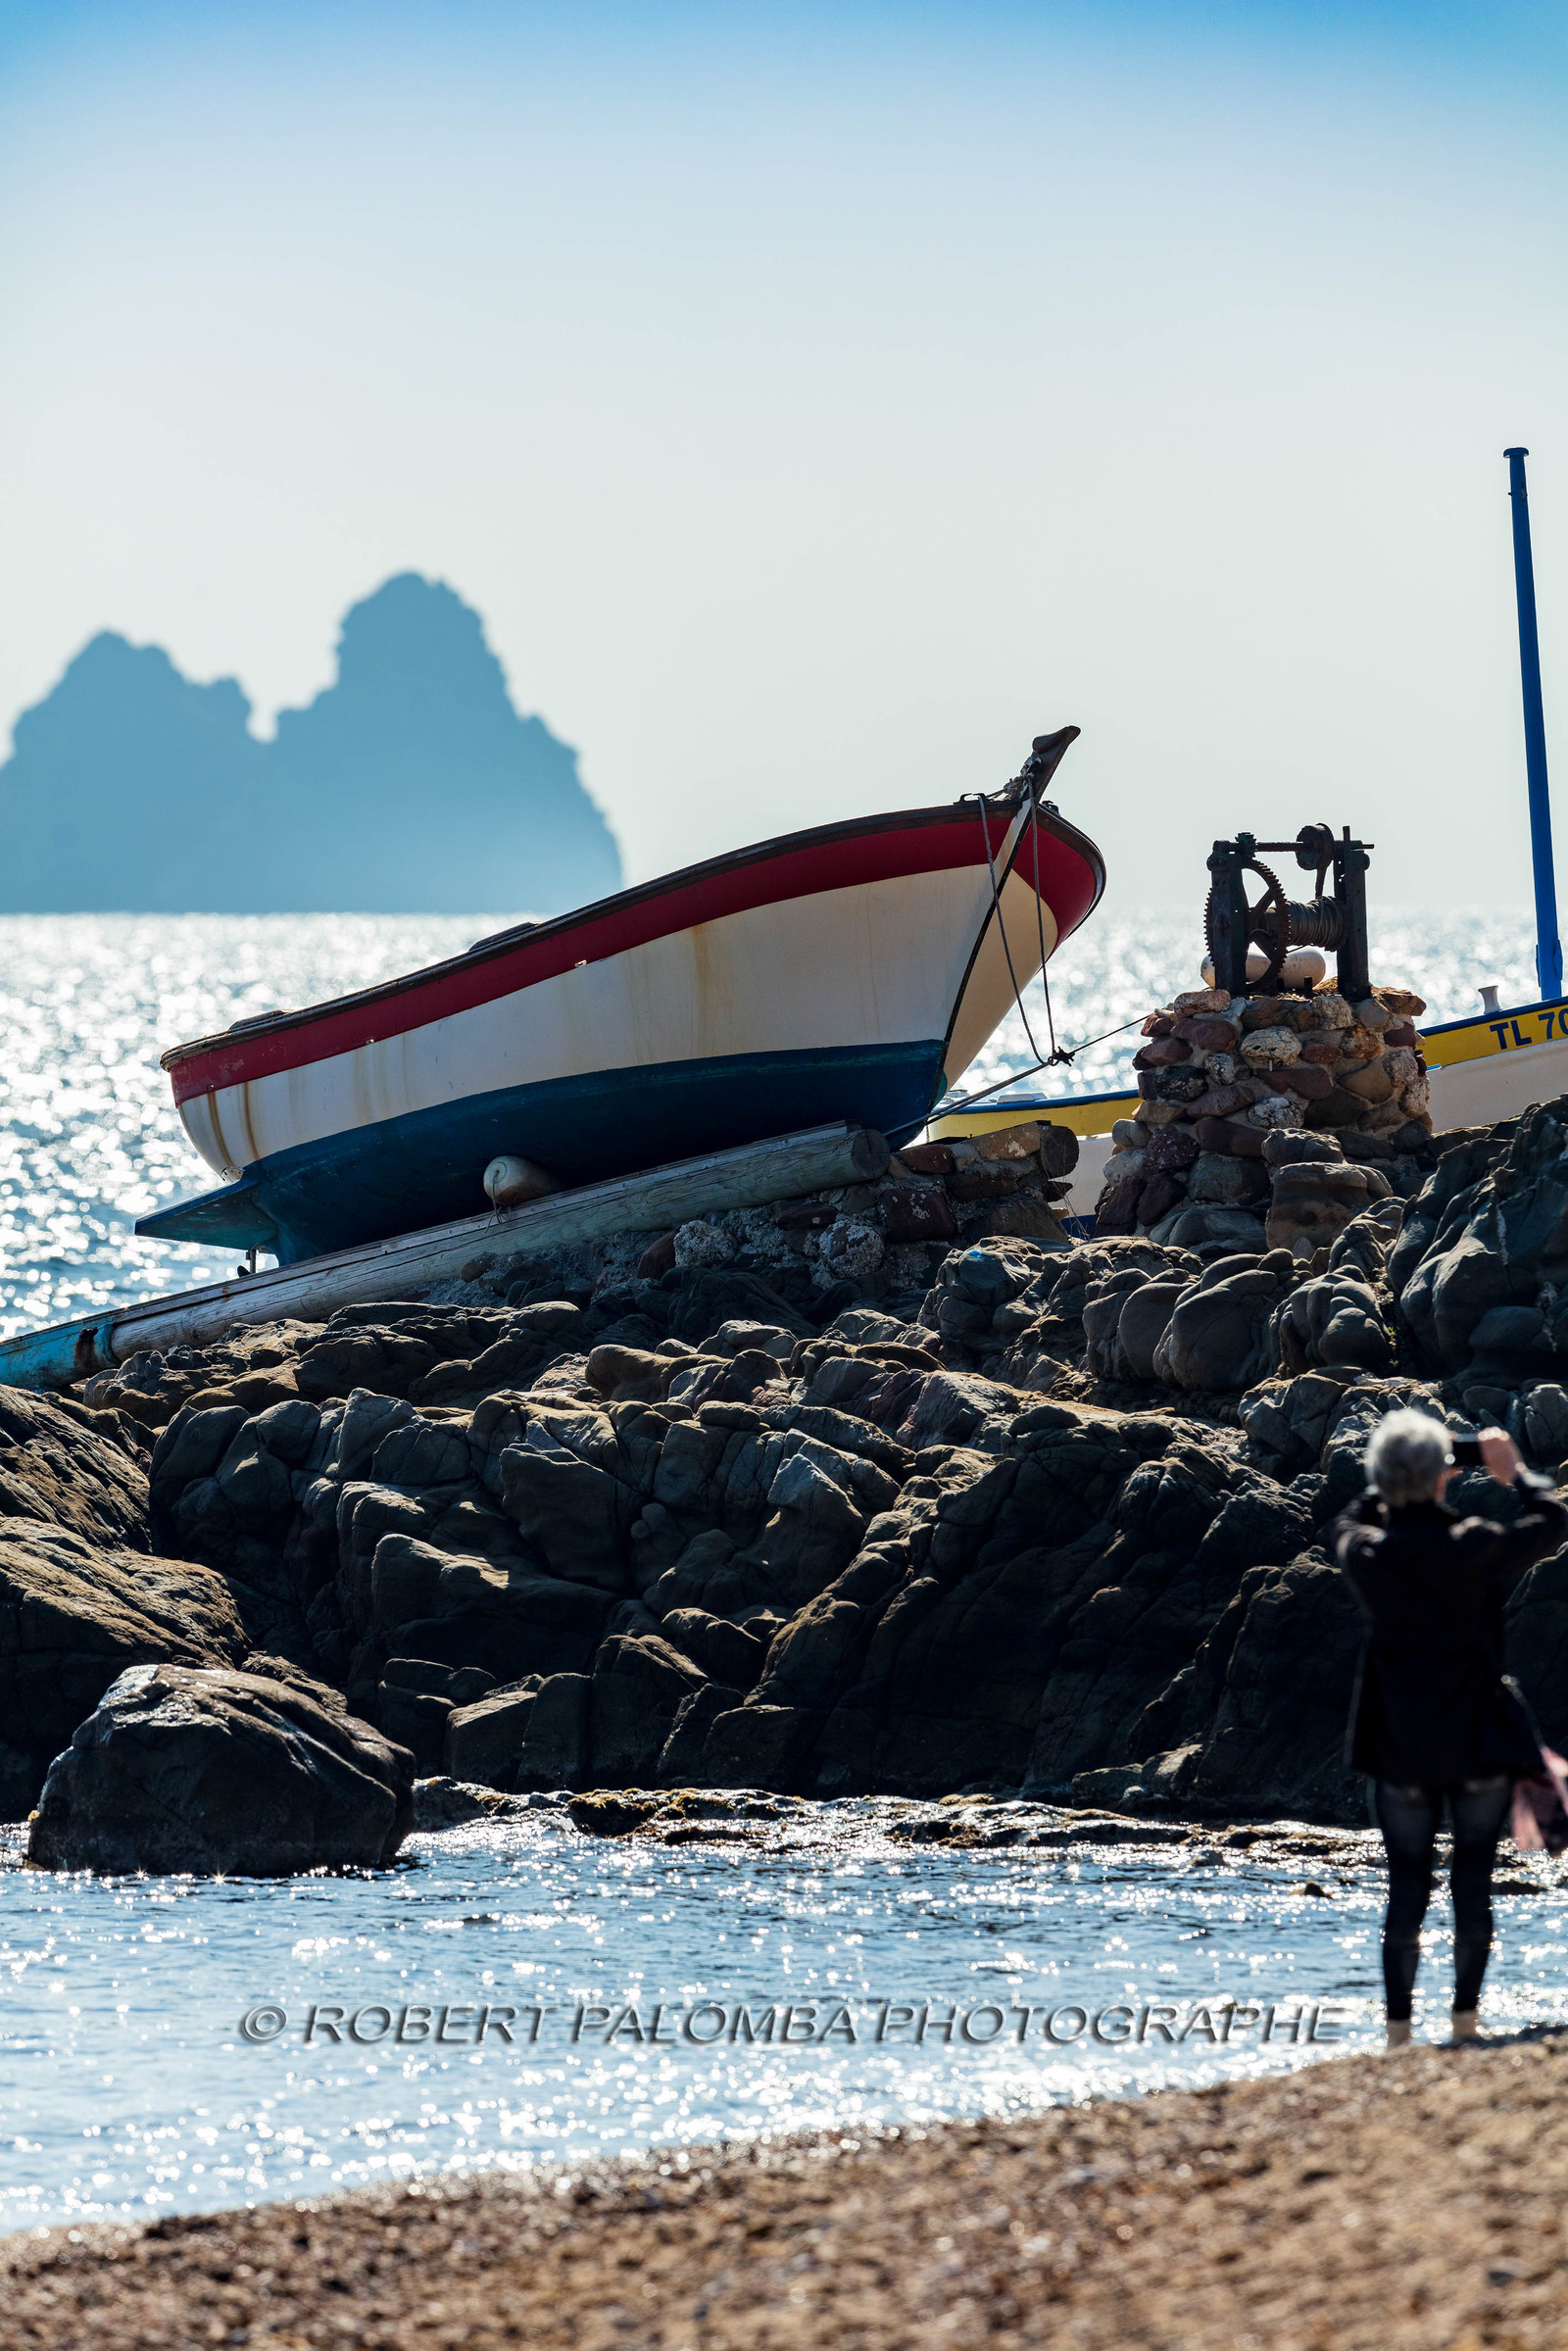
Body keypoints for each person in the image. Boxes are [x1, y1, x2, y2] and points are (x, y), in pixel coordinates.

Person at [1336, 1409, 1567, 2049]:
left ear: (1386, 1481)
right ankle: (1465, 2020)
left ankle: (1398, 2032)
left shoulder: (1369, 1554)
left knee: (1406, 1888)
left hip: (1401, 1744)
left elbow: (1351, 1515)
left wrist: (1424, 1464)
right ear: (1441, 1481)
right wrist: (1508, 1469)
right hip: (1478, 1742)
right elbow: (1552, 1520)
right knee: (1472, 1882)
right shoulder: (1476, 1544)